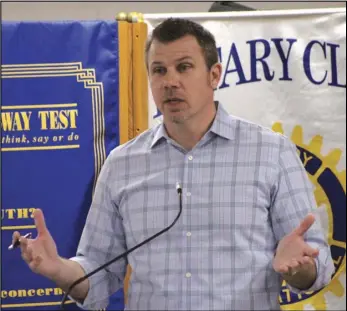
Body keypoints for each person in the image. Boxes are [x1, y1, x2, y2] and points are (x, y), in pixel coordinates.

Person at [13, 18, 335, 310]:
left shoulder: (272, 152)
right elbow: (99, 271)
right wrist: (57, 268)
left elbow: (317, 270)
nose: (170, 82)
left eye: (184, 67)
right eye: (159, 70)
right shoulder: (122, 163)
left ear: (214, 75)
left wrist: (301, 267)